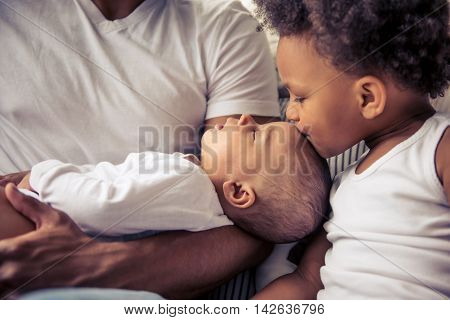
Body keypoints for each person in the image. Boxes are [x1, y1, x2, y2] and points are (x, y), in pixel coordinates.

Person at [0, 0, 281, 299]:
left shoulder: (223, 23)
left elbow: (260, 218)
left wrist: (85, 265)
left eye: (255, 135)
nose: (246, 122)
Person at [253, 0, 449, 299]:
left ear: (368, 98)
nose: (289, 112)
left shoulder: (438, 149)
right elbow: (307, 280)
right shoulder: (342, 184)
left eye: (301, 97)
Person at [1, 115, 331, 244]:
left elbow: (102, 206)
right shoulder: (204, 210)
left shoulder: (188, 182)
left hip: (35, 210)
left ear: (239, 192)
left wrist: (41, 175)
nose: (246, 119)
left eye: (257, 136)